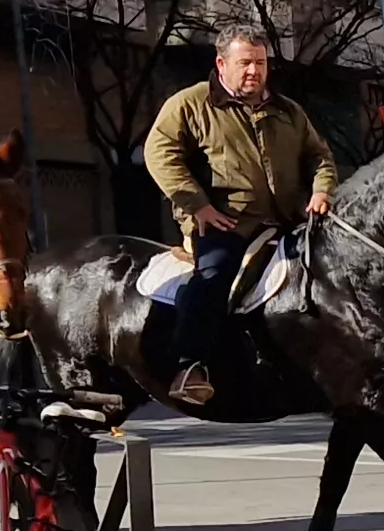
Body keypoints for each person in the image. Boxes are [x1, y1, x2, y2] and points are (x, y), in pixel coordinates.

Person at [144, 31, 337, 407]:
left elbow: (319, 156)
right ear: (221, 64)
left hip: (290, 220)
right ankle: (190, 365)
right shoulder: (190, 103)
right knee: (214, 275)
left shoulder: (288, 111)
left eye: (260, 63)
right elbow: (159, 153)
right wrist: (198, 205)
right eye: (244, 63)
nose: (254, 71)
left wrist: (322, 190)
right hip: (226, 223)